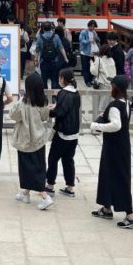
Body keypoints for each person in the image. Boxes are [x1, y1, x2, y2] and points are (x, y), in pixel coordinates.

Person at [90, 75, 133, 228]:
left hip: (114, 147)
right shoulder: (126, 104)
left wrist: (97, 126)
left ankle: (130, 215)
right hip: (121, 145)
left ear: (115, 88)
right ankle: (106, 207)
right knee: (108, 175)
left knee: (119, 178)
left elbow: (116, 125)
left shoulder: (114, 105)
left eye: (111, 86)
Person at [9, 71, 54, 210]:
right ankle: (25, 193)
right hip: (39, 139)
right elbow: (45, 117)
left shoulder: (23, 103)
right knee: (38, 166)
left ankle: (45, 196)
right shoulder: (42, 101)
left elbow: (13, 115)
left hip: (25, 140)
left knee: (29, 169)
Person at [46, 68, 81, 197]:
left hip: (63, 133)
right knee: (68, 160)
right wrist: (56, 107)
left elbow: (60, 112)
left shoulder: (63, 93)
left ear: (63, 79)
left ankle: (50, 185)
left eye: (60, 77)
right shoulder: (76, 93)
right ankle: (70, 187)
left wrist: (49, 111)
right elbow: (69, 109)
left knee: (53, 158)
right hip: (74, 133)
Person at [32, 21, 68, 90]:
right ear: (51, 28)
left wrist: (36, 60)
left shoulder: (40, 37)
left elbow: (37, 50)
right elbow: (61, 48)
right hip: (54, 62)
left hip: (44, 62)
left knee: (44, 80)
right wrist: (65, 58)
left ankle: (45, 97)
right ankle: (54, 97)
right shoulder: (56, 36)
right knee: (54, 79)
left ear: (42, 28)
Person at [92, 43, 117, 111]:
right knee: (110, 104)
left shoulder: (99, 59)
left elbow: (94, 71)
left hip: (103, 83)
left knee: (101, 105)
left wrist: (91, 64)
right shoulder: (112, 60)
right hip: (112, 84)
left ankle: (101, 119)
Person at [78, 19, 99, 88]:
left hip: (92, 52)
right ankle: (87, 81)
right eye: (92, 26)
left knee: (92, 67)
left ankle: (90, 80)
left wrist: (96, 39)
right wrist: (89, 41)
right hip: (85, 52)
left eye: (94, 27)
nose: (93, 28)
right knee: (85, 68)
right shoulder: (84, 32)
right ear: (89, 25)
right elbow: (81, 40)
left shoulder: (94, 32)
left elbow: (97, 39)